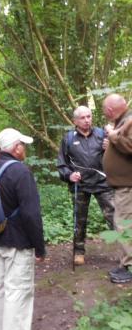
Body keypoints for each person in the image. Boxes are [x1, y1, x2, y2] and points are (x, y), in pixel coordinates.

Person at [0, 128, 45, 330]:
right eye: (23, 144)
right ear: (16, 147)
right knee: (18, 290)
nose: (25, 149)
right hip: (17, 241)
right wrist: (39, 247)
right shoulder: (20, 172)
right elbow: (31, 214)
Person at [57, 105, 115, 265]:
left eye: (89, 116)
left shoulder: (103, 135)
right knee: (79, 220)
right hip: (80, 185)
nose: (87, 120)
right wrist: (69, 175)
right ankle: (79, 252)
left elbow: (119, 157)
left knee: (114, 216)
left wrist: (111, 148)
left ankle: (127, 251)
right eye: (82, 118)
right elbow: (62, 164)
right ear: (75, 121)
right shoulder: (68, 138)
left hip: (103, 183)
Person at [102, 94, 132, 283]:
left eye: (105, 109)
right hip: (123, 186)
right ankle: (126, 263)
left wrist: (114, 139)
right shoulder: (123, 121)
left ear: (110, 110)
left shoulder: (129, 121)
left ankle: (128, 266)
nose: (104, 113)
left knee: (123, 225)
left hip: (127, 187)